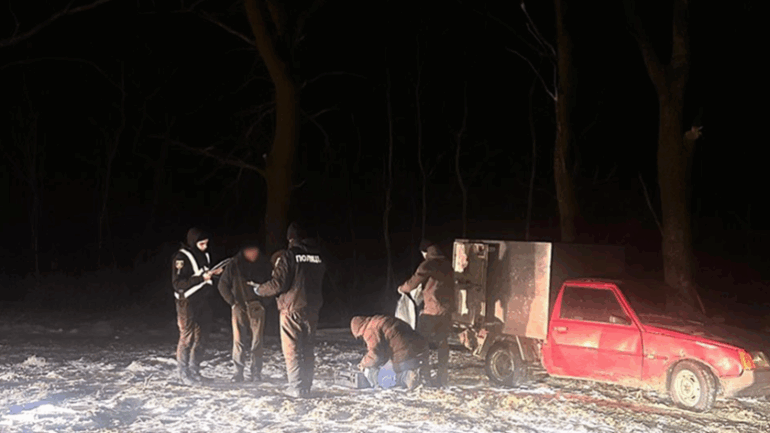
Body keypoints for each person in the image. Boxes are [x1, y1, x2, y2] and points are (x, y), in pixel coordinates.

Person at [253, 222, 326, 398]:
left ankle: (296, 387)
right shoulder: (318, 256)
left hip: (292, 308)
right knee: (308, 348)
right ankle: (306, 385)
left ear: (291, 238)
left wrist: (259, 289)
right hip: (313, 308)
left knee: (292, 349)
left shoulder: (290, 255)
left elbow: (278, 284)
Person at [397, 239, 454, 387]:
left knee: (421, 341)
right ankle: (442, 377)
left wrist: (402, 288)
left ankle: (425, 375)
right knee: (442, 342)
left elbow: (413, 282)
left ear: (425, 252)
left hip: (432, 311)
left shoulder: (428, 264)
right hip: (446, 310)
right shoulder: (447, 264)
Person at [171, 227, 224, 385]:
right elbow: (178, 284)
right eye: (201, 244)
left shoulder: (205, 255)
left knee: (202, 337)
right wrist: (201, 278)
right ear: (193, 242)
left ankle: (195, 370)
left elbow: (204, 275)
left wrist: (213, 274)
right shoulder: (181, 257)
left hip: (203, 301)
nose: (205, 247)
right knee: (187, 338)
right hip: (187, 303)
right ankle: (183, 373)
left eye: (206, 243)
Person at [217, 241, 273, 383]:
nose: (252, 253)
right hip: (239, 307)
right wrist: (233, 302)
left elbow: (272, 285)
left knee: (257, 342)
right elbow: (222, 285)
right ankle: (238, 372)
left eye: (255, 250)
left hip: (257, 307)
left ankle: (256, 372)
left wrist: (264, 303)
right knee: (239, 341)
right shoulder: (234, 264)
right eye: (249, 250)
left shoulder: (265, 264)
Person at [350, 315, 428, 391]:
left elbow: (375, 356)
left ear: (359, 331)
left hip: (406, 355)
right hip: (421, 350)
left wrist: (364, 364)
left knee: (378, 376)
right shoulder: (378, 320)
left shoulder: (369, 330)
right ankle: (420, 373)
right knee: (387, 365)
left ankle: (405, 377)